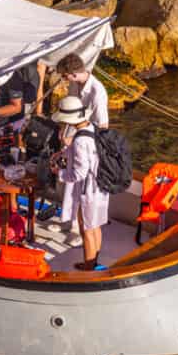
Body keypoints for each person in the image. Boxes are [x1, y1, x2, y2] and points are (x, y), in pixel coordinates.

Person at [50, 96, 108, 271]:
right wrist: (66, 152)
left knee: (87, 228)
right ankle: (95, 260)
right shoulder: (92, 128)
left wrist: (58, 172)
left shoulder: (80, 140)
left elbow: (79, 173)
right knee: (96, 226)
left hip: (89, 190)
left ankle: (89, 266)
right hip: (101, 185)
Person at [56, 53, 108, 130]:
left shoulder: (97, 93)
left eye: (65, 76)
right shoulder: (74, 82)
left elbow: (103, 126)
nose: (63, 79)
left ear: (74, 75)